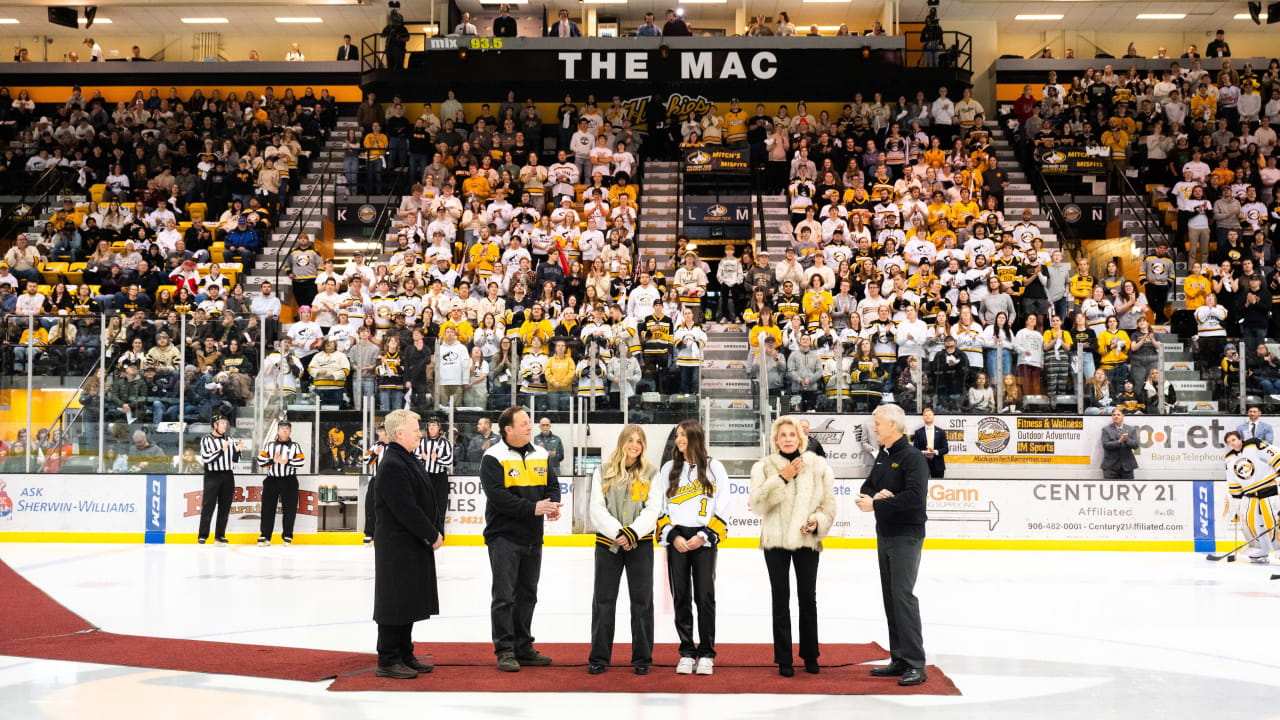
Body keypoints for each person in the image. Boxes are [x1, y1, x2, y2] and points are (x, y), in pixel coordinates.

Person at [749, 416, 836, 677]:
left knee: (808, 599)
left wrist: (816, 521)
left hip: (807, 541)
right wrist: (782, 478)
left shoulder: (819, 466)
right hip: (775, 541)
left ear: (801, 438)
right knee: (780, 599)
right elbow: (757, 505)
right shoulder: (763, 467)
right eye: (782, 435)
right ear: (775, 439)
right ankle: (784, 658)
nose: (787, 439)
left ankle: (811, 655)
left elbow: (829, 506)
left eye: (792, 434)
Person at [480, 406, 562, 672]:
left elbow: (551, 484)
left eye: (530, 422)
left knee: (528, 595)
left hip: (532, 537)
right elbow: (499, 498)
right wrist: (533, 509)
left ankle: (523, 646)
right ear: (508, 429)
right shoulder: (492, 457)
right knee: (504, 596)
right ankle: (505, 649)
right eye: (524, 423)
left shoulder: (540, 452)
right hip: (503, 536)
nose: (530, 426)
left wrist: (554, 504)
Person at [855, 403, 929, 687]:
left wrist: (880, 502)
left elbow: (914, 497)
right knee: (891, 597)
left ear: (892, 426)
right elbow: (867, 487)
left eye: (877, 423)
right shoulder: (884, 456)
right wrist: (875, 497)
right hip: (885, 534)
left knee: (902, 596)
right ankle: (899, 658)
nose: (874, 427)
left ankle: (914, 663)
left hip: (906, 536)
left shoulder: (912, 458)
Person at [587, 424, 664, 675]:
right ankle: (599, 657)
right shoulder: (603, 470)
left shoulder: (652, 473)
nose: (635, 445)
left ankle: (642, 658)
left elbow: (653, 510)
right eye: (631, 440)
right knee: (603, 601)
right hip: (608, 545)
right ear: (622, 442)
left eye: (639, 441)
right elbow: (597, 509)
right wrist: (619, 533)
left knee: (642, 602)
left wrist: (632, 532)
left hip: (639, 545)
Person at [372, 409, 442, 679]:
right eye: (415, 430)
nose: (420, 433)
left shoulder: (405, 459)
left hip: (409, 544)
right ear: (400, 433)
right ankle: (388, 658)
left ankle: (404, 653)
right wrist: (431, 533)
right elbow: (406, 508)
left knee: (408, 600)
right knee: (394, 601)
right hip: (397, 546)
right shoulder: (392, 464)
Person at [657, 419, 727, 676]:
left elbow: (723, 506)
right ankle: (686, 651)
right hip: (677, 539)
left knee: (705, 597)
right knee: (681, 597)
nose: (679, 439)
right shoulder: (667, 469)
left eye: (684, 435)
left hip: (703, 539)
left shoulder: (714, 467)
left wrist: (704, 535)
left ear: (696, 436)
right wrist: (673, 535)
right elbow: (660, 508)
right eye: (677, 435)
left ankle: (707, 653)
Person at [1224, 430, 1277, 563]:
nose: (1232, 443)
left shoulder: (1254, 444)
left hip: (1269, 488)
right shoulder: (1229, 458)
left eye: (1234, 440)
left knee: (1273, 521)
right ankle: (1261, 550)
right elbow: (1233, 480)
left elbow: (1274, 455)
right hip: (1250, 494)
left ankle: (1279, 549)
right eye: (1229, 442)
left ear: (1240, 439)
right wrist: (1235, 499)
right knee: (1250, 522)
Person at [256, 422, 305, 546]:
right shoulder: (269, 445)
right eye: (282, 428)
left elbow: (301, 462)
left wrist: (287, 462)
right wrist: (273, 460)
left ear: (290, 431)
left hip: (289, 480)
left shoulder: (295, 446)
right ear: (277, 431)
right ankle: (265, 536)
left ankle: (287, 535)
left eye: (287, 428)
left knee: (290, 509)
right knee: (267, 509)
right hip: (272, 480)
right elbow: (261, 461)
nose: (284, 430)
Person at [197, 415, 241, 545]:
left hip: (228, 475)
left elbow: (235, 460)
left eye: (225, 423)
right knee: (208, 505)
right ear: (215, 425)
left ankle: (220, 535)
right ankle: (203, 535)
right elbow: (207, 458)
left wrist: (237, 451)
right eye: (222, 423)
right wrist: (222, 450)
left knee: (225, 506)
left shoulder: (230, 439)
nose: (225, 425)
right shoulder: (206, 439)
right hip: (212, 475)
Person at [418, 418, 453, 520]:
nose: (431, 427)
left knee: (440, 506)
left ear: (439, 428)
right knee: (424, 504)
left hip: (440, 477)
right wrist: (429, 459)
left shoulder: (445, 443)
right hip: (425, 476)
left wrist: (435, 459)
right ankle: (425, 534)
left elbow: (449, 461)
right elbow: (415, 457)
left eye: (434, 425)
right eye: (430, 425)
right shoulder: (421, 442)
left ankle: (440, 534)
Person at [363, 424, 387, 544]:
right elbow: (366, 460)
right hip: (376, 479)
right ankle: (369, 532)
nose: (378, 433)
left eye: (381, 431)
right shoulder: (375, 446)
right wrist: (375, 454)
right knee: (370, 505)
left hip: (390, 481)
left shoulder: (395, 446)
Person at [1100, 408, 1139, 479]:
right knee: (1109, 489)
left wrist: (1127, 439)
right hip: (1110, 467)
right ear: (1112, 417)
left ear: (1123, 416)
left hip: (1127, 467)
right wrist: (1119, 441)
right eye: (1114, 415)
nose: (1116, 416)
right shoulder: (1106, 429)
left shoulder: (1131, 429)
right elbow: (1105, 445)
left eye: (1118, 414)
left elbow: (1136, 445)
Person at [911, 407, 948, 478]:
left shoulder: (941, 432)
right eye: (926, 415)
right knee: (923, 486)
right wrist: (924, 452)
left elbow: (945, 449)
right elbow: (915, 450)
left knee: (938, 485)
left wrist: (935, 452)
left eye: (930, 415)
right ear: (923, 417)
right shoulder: (918, 432)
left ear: (933, 416)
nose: (928, 416)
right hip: (923, 464)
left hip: (938, 464)